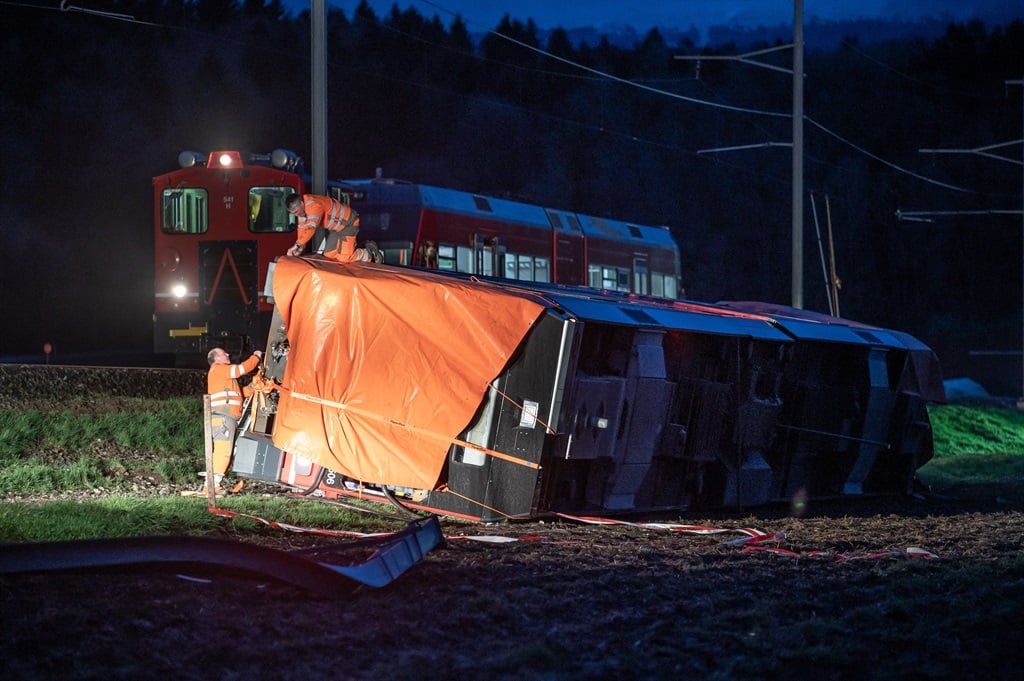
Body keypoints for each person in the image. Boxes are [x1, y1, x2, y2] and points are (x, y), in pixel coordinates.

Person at [204, 347, 262, 492]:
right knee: (224, 450)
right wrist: (256, 357)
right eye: (224, 353)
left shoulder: (223, 377)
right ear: (216, 358)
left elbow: (239, 394)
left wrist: (254, 386)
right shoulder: (218, 369)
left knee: (225, 450)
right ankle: (211, 485)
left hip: (225, 417)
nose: (228, 354)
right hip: (223, 417)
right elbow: (241, 369)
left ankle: (212, 484)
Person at [285, 193, 383, 263]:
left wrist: (297, 246)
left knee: (345, 258)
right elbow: (302, 229)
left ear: (301, 204)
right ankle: (355, 247)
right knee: (329, 255)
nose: (296, 215)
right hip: (335, 229)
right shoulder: (302, 210)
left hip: (349, 223)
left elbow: (310, 228)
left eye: (297, 212)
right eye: (294, 213)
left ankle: (370, 252)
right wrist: (300, 247)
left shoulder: (314, 205)